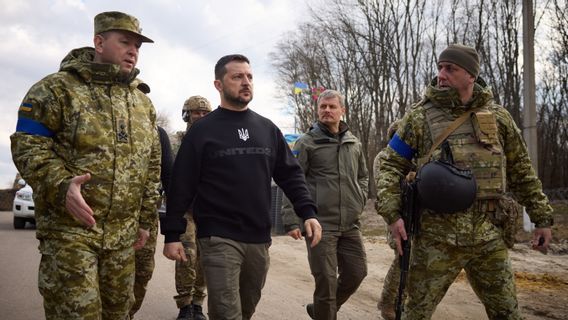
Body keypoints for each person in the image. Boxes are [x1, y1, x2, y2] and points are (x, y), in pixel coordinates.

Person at [375, 44, 554, 319]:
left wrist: (541, 218)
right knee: (415, 314)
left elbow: (522, 171)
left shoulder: (498, 118)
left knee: (507, 313)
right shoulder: (419, 117)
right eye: (440, 68)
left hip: (488, 237)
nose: (441, 75)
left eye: (450, 69)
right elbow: (390, 164)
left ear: (471, 75)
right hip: (436, 238)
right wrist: (392, 215)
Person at [10, 11, 161, 319]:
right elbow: (27, 145)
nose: (133, 50)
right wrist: (61, 184)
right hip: (70, 233)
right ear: (99, 42)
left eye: (137, 45)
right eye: (125, 42)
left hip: (123, 238)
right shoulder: (55, 90)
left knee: (119, 313)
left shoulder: (143, 103)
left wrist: (145, 219)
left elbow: (152, 165)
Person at [161, 54, 323, 320]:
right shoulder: (202, 131)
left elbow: (291, 175)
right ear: (219, 85)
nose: (246, 82)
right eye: (237, 77)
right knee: (226, 313)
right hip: (217, 237)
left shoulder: (267, 129)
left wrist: (308, 212)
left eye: (249, 77)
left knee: (245, 309)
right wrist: (172, 234)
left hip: (259, 238)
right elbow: (181, 185)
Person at [282, 89, 369, 320]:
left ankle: (320, 311)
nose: (327, 111)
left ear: (343, 111)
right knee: (326, 283)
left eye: (332, 106)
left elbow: (363, 176)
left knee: (357, 273)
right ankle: (325, 311)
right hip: (320, 224)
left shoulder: (354, 142)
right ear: (317, 110)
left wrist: (359, 198)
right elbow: (292, 180)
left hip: (350, 224)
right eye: (323, 107)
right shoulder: (306, 142)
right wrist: (292, 219)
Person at [130, 126, 173, 319]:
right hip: (100, 217)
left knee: (142, 272)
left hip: (145, 217)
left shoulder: (156, 131)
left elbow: (168, 176)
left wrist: (174, 224)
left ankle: (127, 314)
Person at [175, 96, 212, 320]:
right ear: (187, 114)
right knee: (187, 256)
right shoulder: (177, 141)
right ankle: (184, 304)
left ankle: (198, 303)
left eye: (204, 112)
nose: (200, 116)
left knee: (205, 259)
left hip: (208, 209)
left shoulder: (216, 139)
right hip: (185, 210)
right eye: (196, 112)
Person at [373, 119, 401, 320]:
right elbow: (384, 188)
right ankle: (388, 302)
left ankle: (403, 301)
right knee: (402, 259)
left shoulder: (419, 156)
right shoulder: (383, 158)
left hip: (422, 216)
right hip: (397, 215)